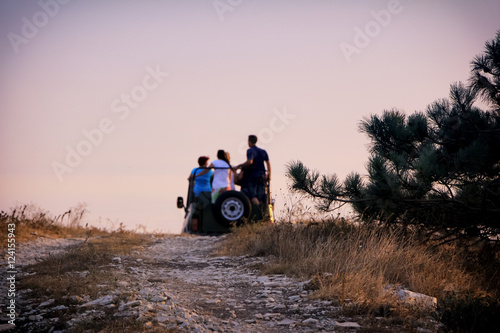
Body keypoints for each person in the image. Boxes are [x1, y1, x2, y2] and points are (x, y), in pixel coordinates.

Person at [235, 135, 271, 205]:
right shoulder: (263, 151)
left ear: (249, 142)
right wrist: (269, 175)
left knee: (253, 195)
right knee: (260, 195)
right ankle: (263, 211)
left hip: (253, 176)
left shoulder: (250, 151)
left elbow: (250, 162)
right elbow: (268, 164)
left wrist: (239, 165)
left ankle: (257, 210)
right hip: (262, 176)